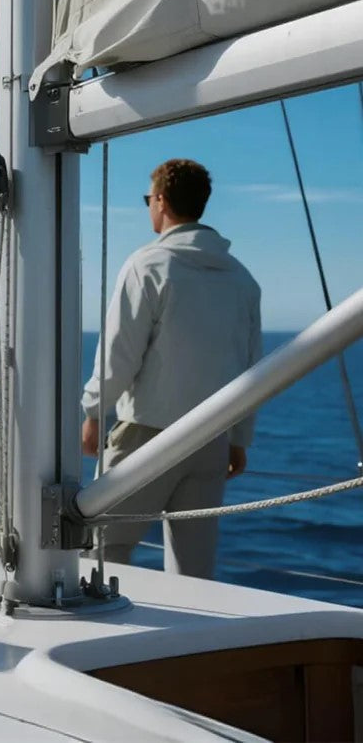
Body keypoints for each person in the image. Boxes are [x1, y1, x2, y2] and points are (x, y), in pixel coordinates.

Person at [81, 158, 261, 578]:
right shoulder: (241, 279)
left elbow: (119, 355)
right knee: (193, 566)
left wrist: (94, 412)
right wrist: (239, 438)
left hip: (146, 435)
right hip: (211, 436)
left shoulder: (148, 266)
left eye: (149, 199)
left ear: (161, 201)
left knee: (102, 553)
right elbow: (250, 366)